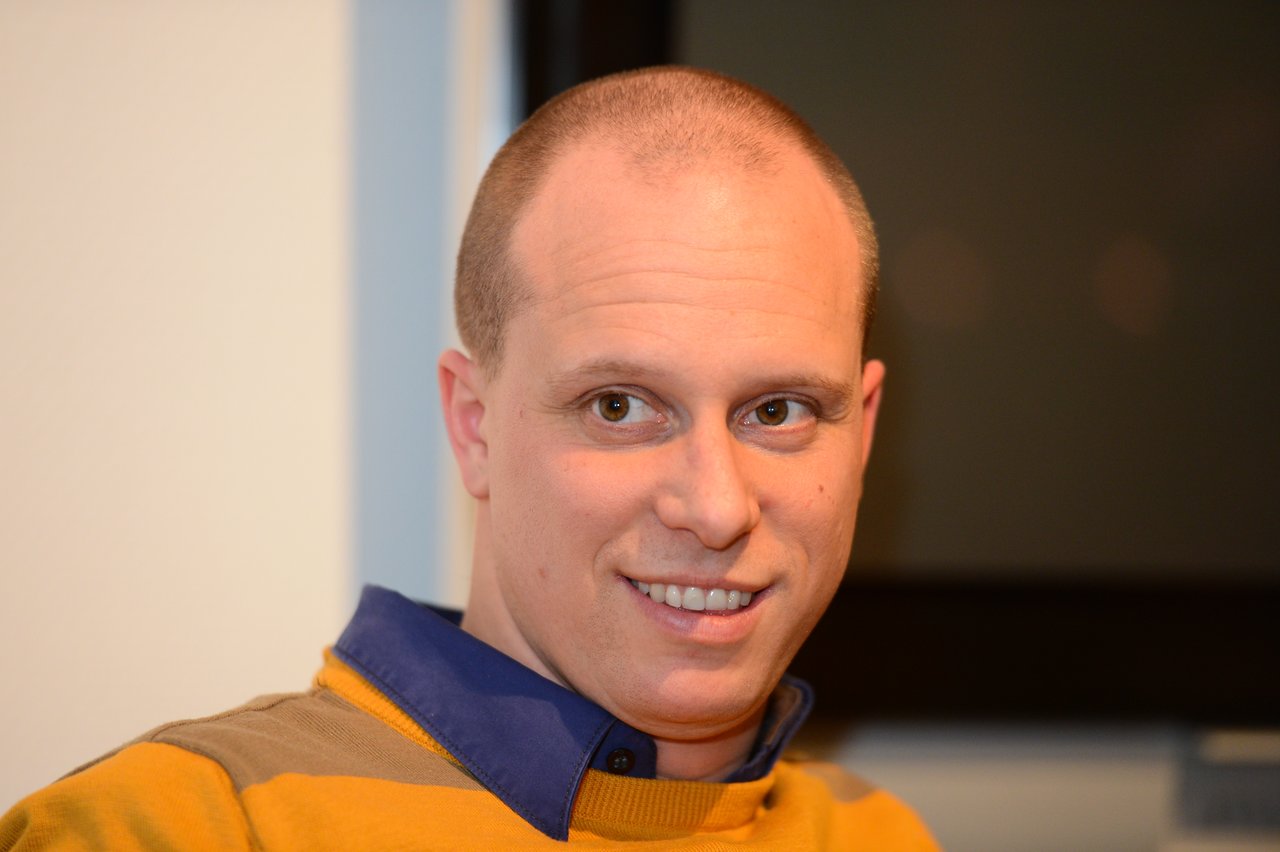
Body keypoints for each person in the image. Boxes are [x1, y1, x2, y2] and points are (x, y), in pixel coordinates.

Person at [1, 66, 936, 849]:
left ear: (863, 432)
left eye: (778, 411)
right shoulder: (172, 829)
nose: (719, 506)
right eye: (619, 407)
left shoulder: (878, 835)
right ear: (474, 427)